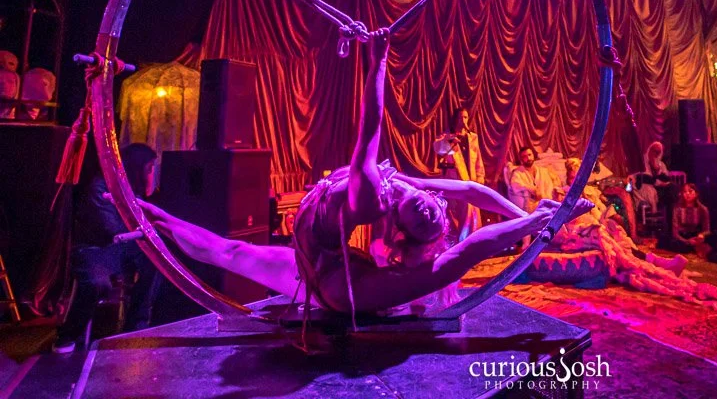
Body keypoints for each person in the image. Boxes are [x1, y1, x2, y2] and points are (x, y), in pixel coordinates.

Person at [128, 31, 594, 323]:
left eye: (424, 212)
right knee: (227, 250)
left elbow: (370, 135)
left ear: (400, 225)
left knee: (231, 252)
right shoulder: (411, 196)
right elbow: (472, 190)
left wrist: (379, 61)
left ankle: (148, 219)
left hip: (333, 288)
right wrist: (540, 213)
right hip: (320, 263)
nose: (431, 202)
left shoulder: (371, 198)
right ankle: (148, 217)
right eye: (433, 205)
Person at [551, 159, 717, 309]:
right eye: (574, 173)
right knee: (605, 236)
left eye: (581, 172)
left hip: (598, 228)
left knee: (617, 233)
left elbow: (602, 214)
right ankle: (656, 263)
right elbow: (560, 220)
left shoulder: (592, 192)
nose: (577, 176)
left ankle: (653, 263)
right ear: (569, 175)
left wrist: (611, 219)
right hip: (579, 232)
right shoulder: (561, 193)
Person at [55, 144, 163, 352]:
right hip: (95, 248)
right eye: (149, 168)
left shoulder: (134, 189)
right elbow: (111, 228)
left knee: (157, 264)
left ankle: (135, 326)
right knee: (96, 283)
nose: (151, 173)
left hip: (123, 247)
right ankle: (68, 334)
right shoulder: (102, 187)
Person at [437, 107, 485, 240]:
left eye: (465, 117)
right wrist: (450, 141)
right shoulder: (446, 137)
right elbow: (439, 151)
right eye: (460, 117)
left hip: (471, 181)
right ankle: (457, 243)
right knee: (455, 214)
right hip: (455, 181)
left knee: (472, 213)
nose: (462, 120)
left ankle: (473, 241)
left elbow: (478, 160)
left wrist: (480, 177)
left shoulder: (472, 137)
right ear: (455, 119)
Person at [664, 183, 710, 255]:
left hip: (695, 236)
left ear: (696, 194)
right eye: (684, 192)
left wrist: (701, 235)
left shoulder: (703, 209)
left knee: (712, 240)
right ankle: (692, 247)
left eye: (690, 191)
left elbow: (707, 230)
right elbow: (675, 232)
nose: (687, 194)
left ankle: (694, 247)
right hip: (682, 238)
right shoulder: (677, 208)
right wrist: (687, 241)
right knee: (669, 242)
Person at [508, 146, 556, 213]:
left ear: (533, 155)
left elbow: (549, 186)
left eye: (530, 155)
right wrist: (532, 189)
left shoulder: (543, 171)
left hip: (545, 203)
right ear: (521, 159)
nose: (528, 158)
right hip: (529, 207)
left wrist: (543, 197)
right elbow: (515, 185)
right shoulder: (517, 172)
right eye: (524, 156)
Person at [631, 141, 672, 214]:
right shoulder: (642, 162)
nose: (655, 154)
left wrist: (657, 170)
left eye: (658, 152)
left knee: (671, 189)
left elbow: (666, 178)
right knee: (648, 190)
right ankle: (653, 214)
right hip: (642, 187)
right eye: (654, 151)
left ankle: (669, 217)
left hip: (659, 189)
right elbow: (642, 178)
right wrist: (659, 182)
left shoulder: (661, 165)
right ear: (649, 150)